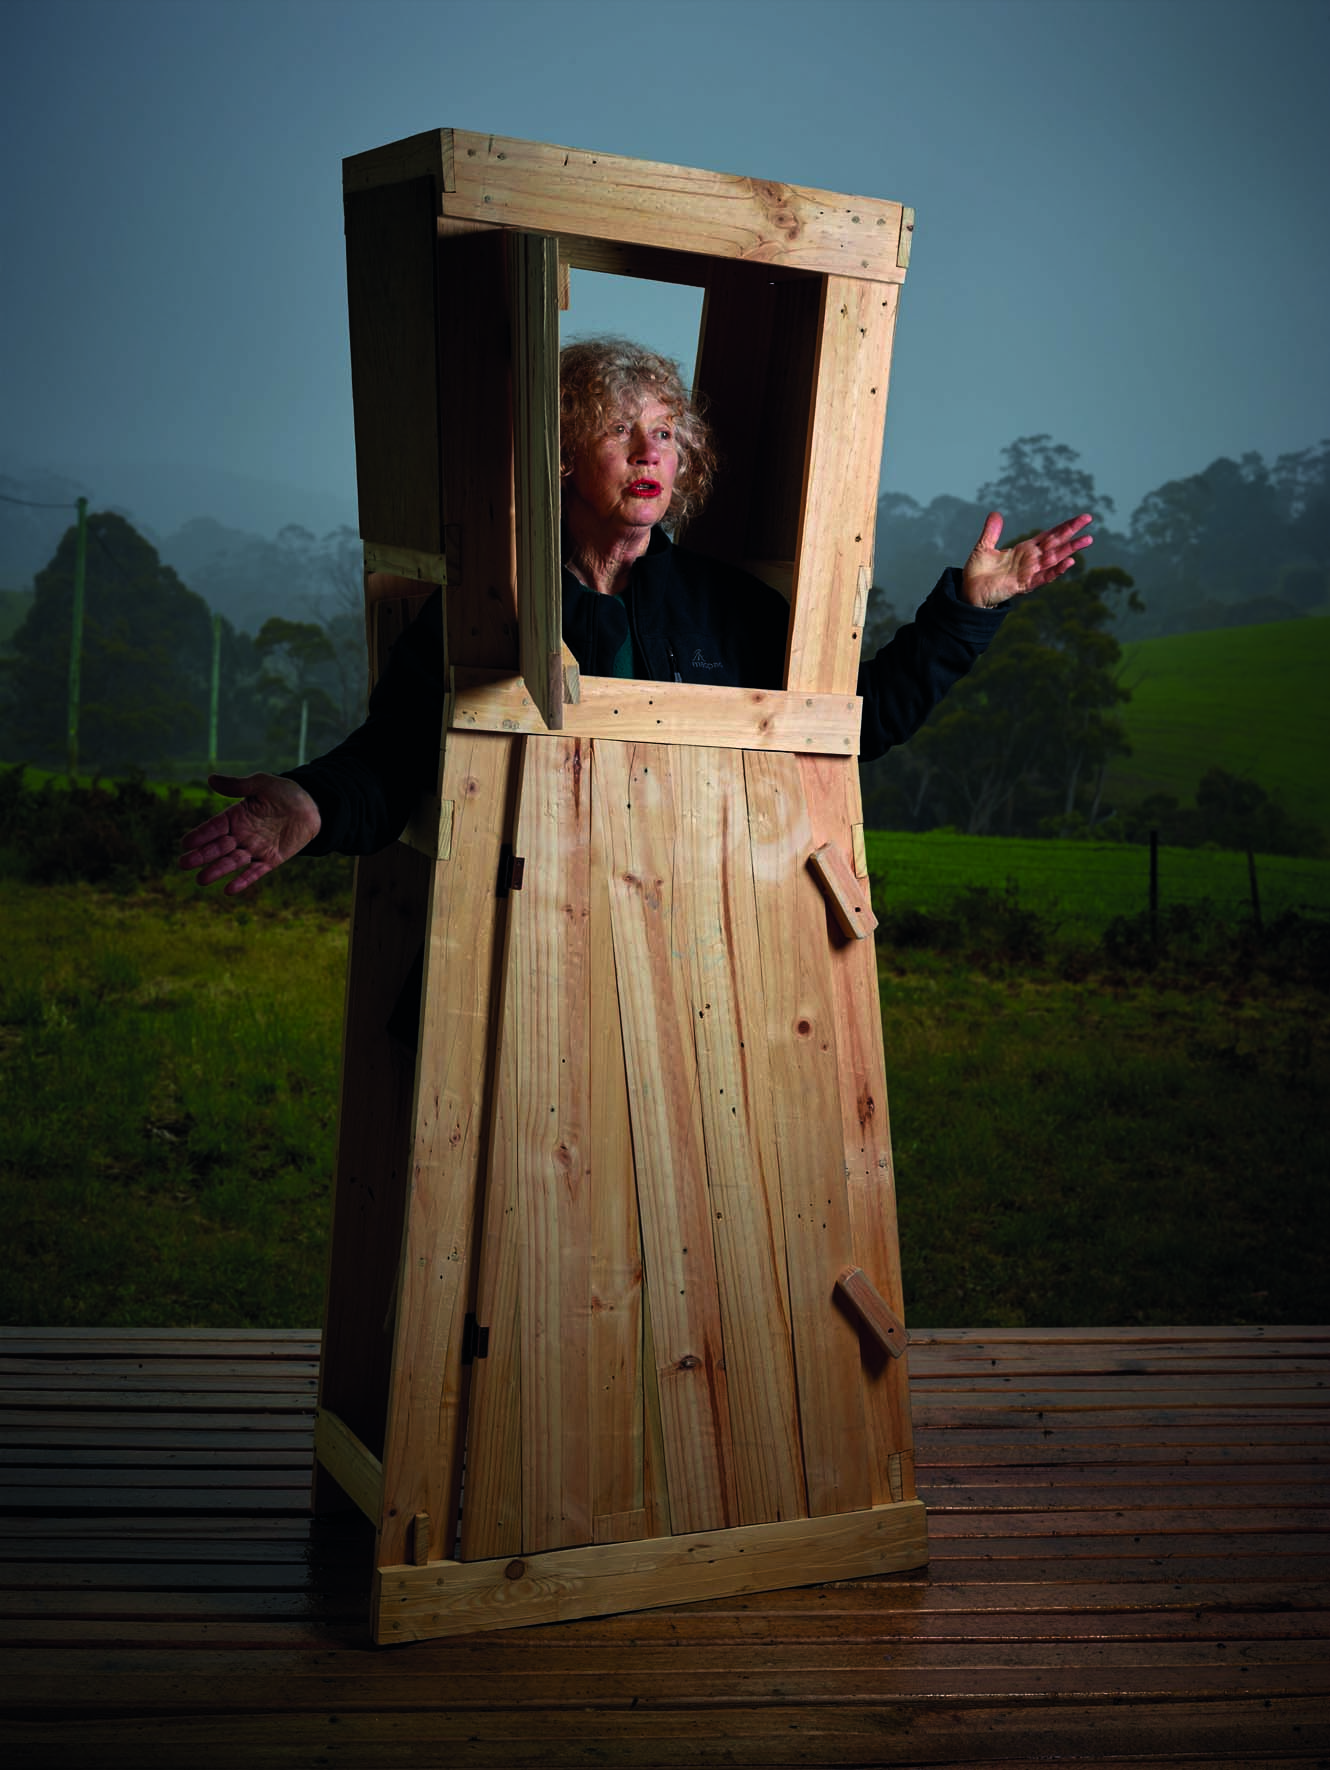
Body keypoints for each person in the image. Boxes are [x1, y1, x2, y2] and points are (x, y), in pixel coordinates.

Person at [180, 337, 1092, 891]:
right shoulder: (490, 608)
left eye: (664, 430)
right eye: (617, 427)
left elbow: (856, 723)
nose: (648, 448)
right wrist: (305, 805)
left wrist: (970, 608)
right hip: (533, 934)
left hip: (700, 932)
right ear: (565, 457)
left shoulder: (727, 607)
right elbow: (397, 755)